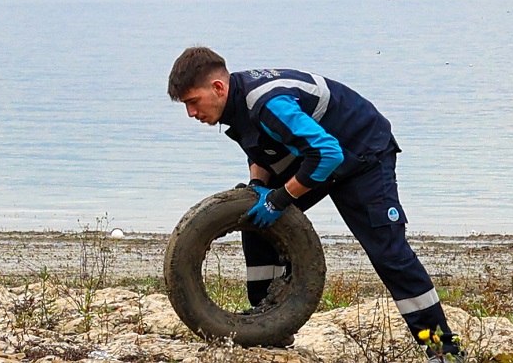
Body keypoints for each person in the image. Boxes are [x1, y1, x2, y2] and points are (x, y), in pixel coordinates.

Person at [167, 46, 463, 361]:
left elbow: (328, 153)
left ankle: (442, 349)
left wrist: (280, 198)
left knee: (389, 253)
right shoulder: (235, 105)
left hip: (360, 152)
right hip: (317, 155)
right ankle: (267, 325)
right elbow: (261, 150)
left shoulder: (268, 103)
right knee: (256, 225)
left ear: (217, 88)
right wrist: (258, 187)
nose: (191, 113)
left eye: (193, 102)